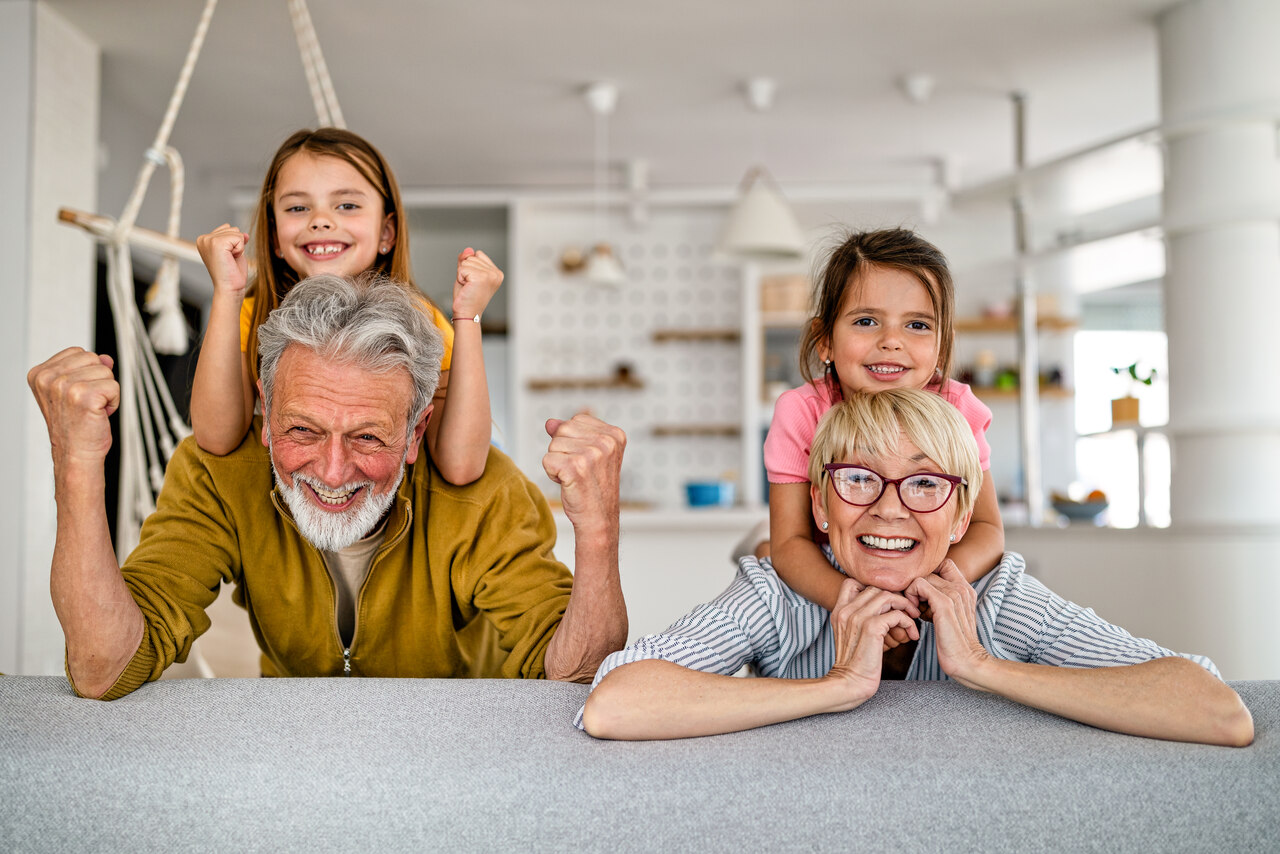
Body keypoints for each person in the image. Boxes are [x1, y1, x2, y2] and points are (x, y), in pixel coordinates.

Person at [27, 273, 627, 701]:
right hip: (294, 749)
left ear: (416, 433)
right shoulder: (216, 477)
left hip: (459, 752)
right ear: (263, 412)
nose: (332, 472)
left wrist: (598, 531)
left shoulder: (484, 495)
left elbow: (578, 675)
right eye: (302, 430)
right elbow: (105, 668)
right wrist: (76, 464)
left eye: (367, 438)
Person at [578, 389, 1253, 747]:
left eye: (925, 484)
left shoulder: (998, 597)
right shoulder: (775, 595)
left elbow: (1217, 712)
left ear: (963, 516)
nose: (890, 510)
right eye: (858, 480)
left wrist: (985, 668)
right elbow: (616, 703)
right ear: (818, 502)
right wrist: (837, 685)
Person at [192, 127, 497, 487]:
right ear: (274, 236)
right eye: (297, 207)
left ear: (386, 233)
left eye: (347, 205)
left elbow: (460, 465)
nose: (320, 220)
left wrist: (468, 317)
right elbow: (215, 437)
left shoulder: (423, 324)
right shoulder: (248, 316)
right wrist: (227, 291)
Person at [758, 228, 1003, 621]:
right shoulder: (801, 411)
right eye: (867, 320)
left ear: (942, 344)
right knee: (764, 553)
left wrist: (932, 586)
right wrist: (859, 603)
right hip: (836, 564)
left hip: (919, 563)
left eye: (918, 325)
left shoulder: (958, 407)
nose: (891, 340)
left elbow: (987, 527)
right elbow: (790, 543)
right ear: (824, 341)